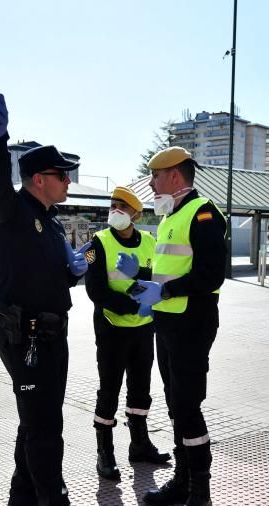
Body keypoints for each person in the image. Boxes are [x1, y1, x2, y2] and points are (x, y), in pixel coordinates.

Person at [0, 80, 104, 506]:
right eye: (62, 173)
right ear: (37, 178)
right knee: (45, 428)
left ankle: (22, 502)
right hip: (26, 336)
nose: (69, 180)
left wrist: (81, 265)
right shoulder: (11, 211)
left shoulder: (50, 222)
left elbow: (55, 273)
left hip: (50, 335)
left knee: (36, 420)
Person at [120, 146, 226, 506]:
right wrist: (144, 273)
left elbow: (212, 275)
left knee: (188, 407)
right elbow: (170, 269)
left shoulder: (203, 213)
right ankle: (183, 481)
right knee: (176, 406)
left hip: (191, 324)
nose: (151, 184)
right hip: (167, 324)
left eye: (156, 177)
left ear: (175, 177)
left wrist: (163, 292)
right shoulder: (172, 216)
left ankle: (202, 498)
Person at [84, 186, 170, 481]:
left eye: (122, 205)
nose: (115, 210)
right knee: (109, 389)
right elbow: (95, 290)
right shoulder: (99, 242)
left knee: (140, 388)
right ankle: (104, 452)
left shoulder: (149, 241)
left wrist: (143, 287)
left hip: (144, 330)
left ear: (136, 213)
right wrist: (132, 305)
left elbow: (157, 277)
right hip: (112, 328)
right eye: (112, 205)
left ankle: (140, 443)